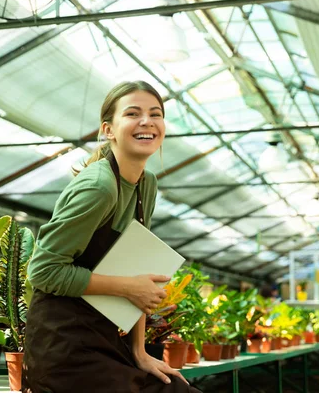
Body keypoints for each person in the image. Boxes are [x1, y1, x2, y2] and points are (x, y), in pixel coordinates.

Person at [22, 81, 202, 393]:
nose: (146, 121)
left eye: (155, 114)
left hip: (102, 338)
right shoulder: (99, 187)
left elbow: (135, 268)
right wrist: (128, 288)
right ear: (109, 130)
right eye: (133, 113)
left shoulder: (147, 184)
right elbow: (43, 271)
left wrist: (140, 352)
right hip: (64, 347)